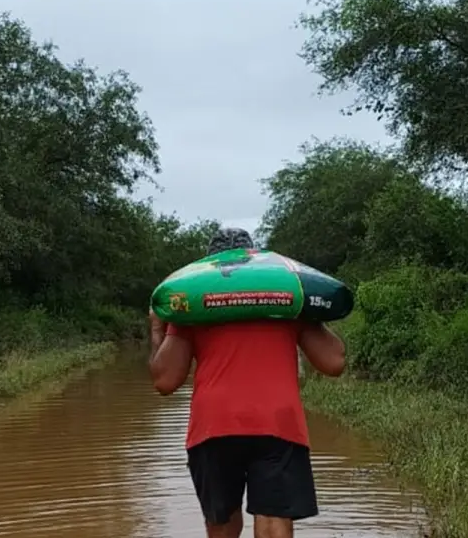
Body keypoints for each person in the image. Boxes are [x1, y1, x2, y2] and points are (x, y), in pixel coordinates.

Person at [148, 227, 347, 538]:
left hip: (214, 425)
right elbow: (334, 362)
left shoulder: (194, 306)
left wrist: (158, 330)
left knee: (222, 524)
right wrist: (304, 307)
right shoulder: (282, 299)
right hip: (277, 423)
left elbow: (165, 380)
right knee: (273, 521)